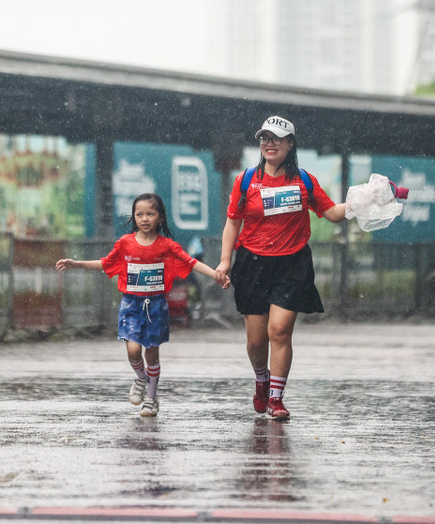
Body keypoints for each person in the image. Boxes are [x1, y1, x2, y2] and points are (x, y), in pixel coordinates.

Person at [214, 115, 346, 421]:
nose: (269, 144)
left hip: (293, 263)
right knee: (256, 341)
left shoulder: (305, 181)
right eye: (264, 139)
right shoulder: (246, 180)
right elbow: (233, 221)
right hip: (253, 263)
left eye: (276, 139)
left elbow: (333, 213)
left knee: (280, 331)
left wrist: (361, 203)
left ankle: (276, 397)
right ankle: (262, 379)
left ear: (290, 144)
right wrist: (225, 260)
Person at [56, 193, 227, 417]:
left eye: (150, 214)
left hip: (156, 306)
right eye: (139, 214)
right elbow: (106, 263)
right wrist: (76, 264)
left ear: (160, 217)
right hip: (131, 304)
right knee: (134, 351)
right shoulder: (125, 244)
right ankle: (141, 379)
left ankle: (152, 398)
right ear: (134, 217)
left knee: (152, 354)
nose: (144, 218)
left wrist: (216, 274)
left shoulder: (167, 246)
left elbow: (191, 262)